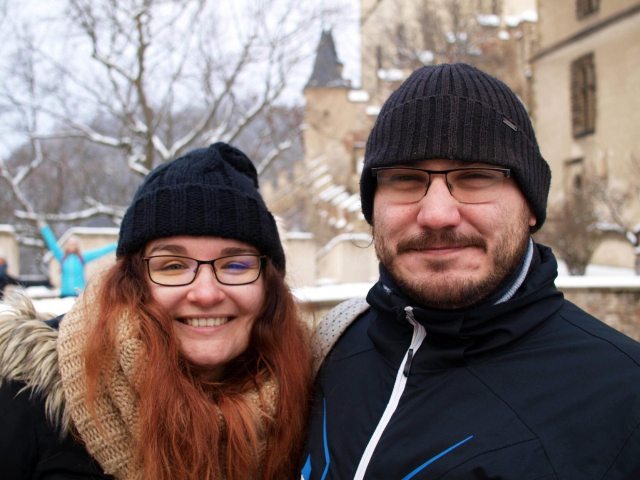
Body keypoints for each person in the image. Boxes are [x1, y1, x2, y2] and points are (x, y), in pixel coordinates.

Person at [301, 63, 640, 479]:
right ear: (372, 208)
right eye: (405, 178)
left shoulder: (624, 400)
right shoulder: (332, 354)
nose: (438, 214)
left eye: (476, 177)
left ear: (532, 205)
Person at [0, 143, 312, 479]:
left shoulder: (317, 399)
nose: (206, 294)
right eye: (173, 265)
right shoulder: (24, 396)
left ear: (269, 286)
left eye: (235, 264)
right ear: (132, 282)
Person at [39, 222, 117, 297]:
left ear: (77, 246)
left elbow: (99, 251)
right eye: (70, 244)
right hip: (65, 294)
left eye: (74, 244)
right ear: (67, 245)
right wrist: (45, 229)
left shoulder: (81, 258)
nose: (72, 246)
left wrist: (116, 245)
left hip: (78, 295)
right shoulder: (63, 258)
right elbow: (53, 245)